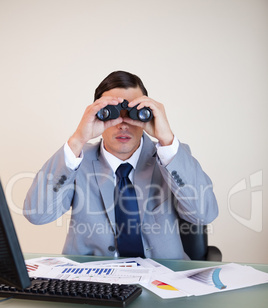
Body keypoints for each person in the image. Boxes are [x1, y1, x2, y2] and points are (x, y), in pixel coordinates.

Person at [23, 70, 218, 259]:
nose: (123, 124)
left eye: (134, 112)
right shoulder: (76, 161)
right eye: (111, 113)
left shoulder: (171, 159)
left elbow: (204, 215)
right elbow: (37, 215)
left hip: (164, 280)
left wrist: (167, 139)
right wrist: (77, 140)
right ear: (97, 114)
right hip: (93, 281)